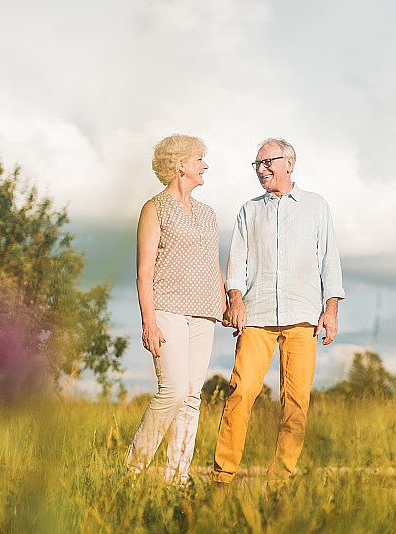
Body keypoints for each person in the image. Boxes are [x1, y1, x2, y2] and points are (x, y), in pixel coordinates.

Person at [213, 138, 345, 485]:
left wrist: (330, 310)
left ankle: (280, 480)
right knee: (240, 392)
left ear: (289, 163)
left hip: (303, 317)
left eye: (268, 162)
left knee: (296, 401)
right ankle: (222, 477)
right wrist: (235, 300)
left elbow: (329, 260)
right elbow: (236, 261)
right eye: (256, 164)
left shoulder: (316, 206)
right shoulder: (248, 210)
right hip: (255, 316)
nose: (261, 169)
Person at [126, 134, 226, 486]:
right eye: (200, 158)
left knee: (192, 397)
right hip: (167, 307)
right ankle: (134, 469)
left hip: (205, 312)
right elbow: (144, 270)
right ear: (180, 163)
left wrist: (224, 301)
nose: (205, 165)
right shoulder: (154, 208)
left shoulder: (208, 213)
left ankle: (177, 480)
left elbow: (212, 262)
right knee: (173, 389)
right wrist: (148, 322)